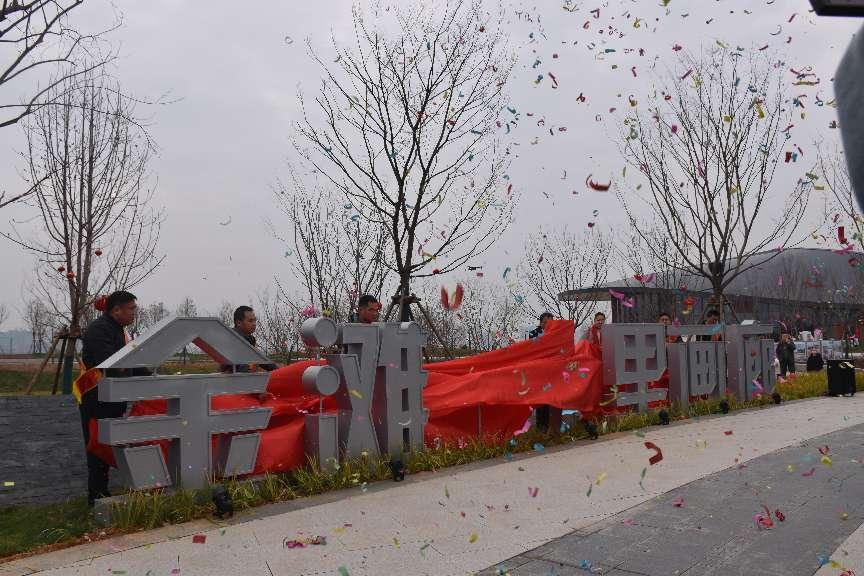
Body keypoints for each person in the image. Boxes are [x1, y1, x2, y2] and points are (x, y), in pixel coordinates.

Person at [76, 291, 148, 505]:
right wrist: (141, 373)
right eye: (131, 308)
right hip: (96, 399)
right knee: (98, 444)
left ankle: (102, 491)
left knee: (109, 443)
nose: (134, 313)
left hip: (112, 397)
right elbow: (113, 365)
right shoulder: (99, 330)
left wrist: (148, 374)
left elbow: (127, 362)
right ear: (116, 310)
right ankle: (96, 496)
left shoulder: (116, 329)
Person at [224, 305, 277, 372]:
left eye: (255, 320)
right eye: (250, 321)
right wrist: (279, 370)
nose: (254, 324)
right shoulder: (233, 338)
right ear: (238, 322)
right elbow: (258, 359)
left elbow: (260, 359)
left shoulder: (249, 339)